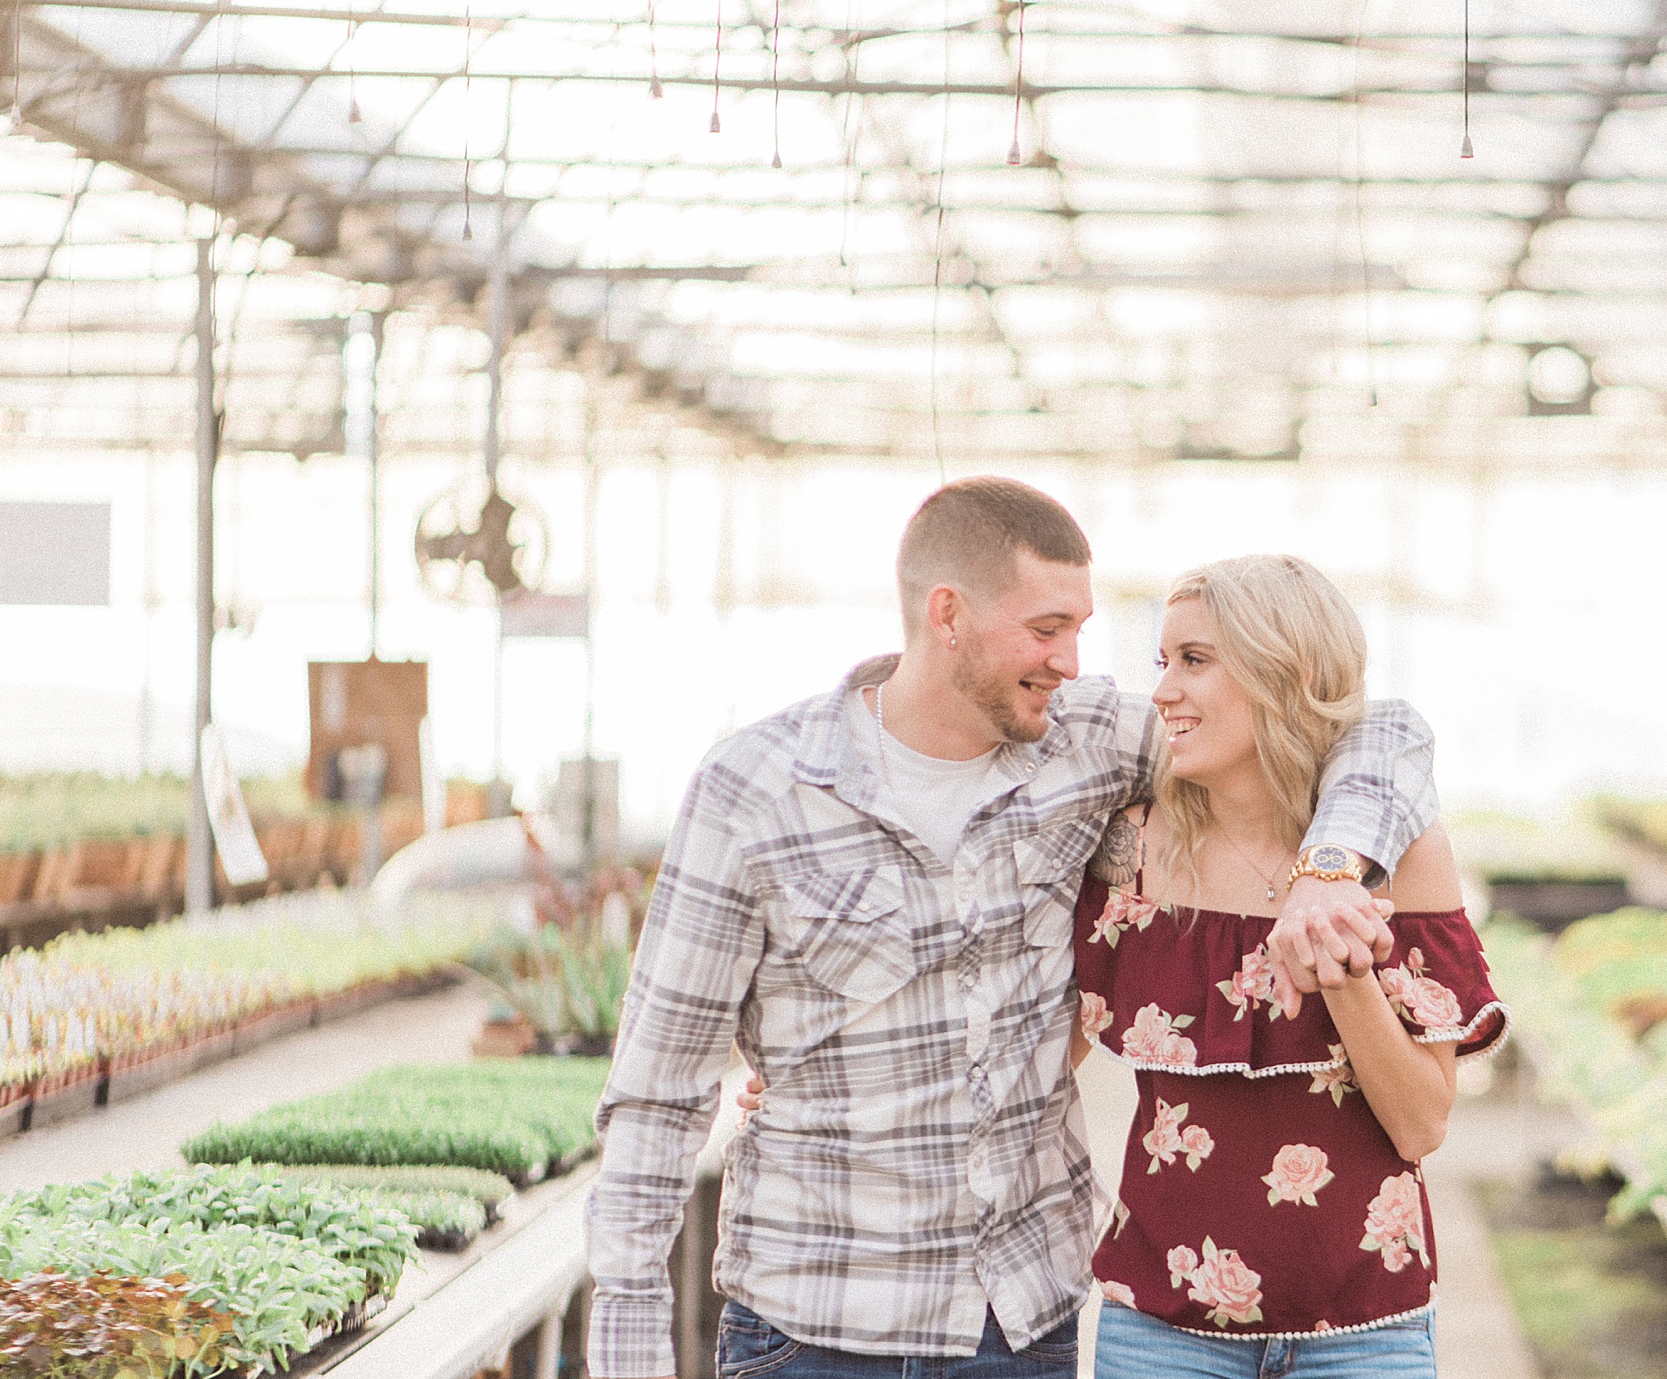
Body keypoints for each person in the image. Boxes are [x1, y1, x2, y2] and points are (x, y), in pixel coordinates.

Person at [585, 478, 1436, 1379]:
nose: (1074, 659)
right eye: (1046, 628)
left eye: (1080, 627)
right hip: (814, 1327)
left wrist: (1327, 871)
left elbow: (1375, 731)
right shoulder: (756, 789)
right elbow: (658, 1091)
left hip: (1017, 1329)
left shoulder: (1089, 743)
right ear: (947, 613)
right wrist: (628, 1348)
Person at [1073, 554, 1505, 1379]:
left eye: (1195, 660)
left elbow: (1421, 1124)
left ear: (1289, 673)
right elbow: (1049, 1047)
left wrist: (1340, 963)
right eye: (1163, 662)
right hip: (1162, 1330)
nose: (1163, 690)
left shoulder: (1400, 851)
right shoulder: (1130, 847)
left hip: (1368, 1332)